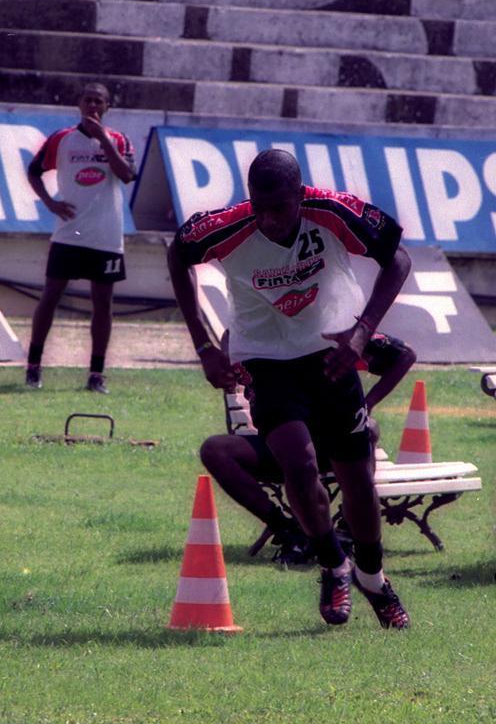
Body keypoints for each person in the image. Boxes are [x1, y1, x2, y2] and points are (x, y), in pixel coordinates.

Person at [167, 148, 412, 630]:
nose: (269, 220)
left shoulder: (334, 210)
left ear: (300, 196)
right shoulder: (226, 226)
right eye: (259, 207)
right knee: (296, 462)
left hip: (332, 351)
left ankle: (373, 577)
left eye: (279, 208)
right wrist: (204, 346)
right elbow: (177, 254)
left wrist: (362, 331)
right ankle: (332, 563)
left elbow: (397, 260)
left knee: (357, 477)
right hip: (265, 358)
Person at [203, 330, 416, 567]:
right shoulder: (245, 331)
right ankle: (288, 531)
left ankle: (349, 530)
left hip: (331, 443)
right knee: (215, 450)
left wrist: (368, 402)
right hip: (278, 442)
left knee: (368, 427)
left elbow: (404, 354)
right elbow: (229, 342)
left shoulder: (326, 328)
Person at [24, 82, 137, 393]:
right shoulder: (61, 139)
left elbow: (127, 175)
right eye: (88, 100)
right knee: (51, 297)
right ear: (79, 103)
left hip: (106, 236)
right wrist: (50, 203)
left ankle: (96, 374)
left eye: (99, 101)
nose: (93, 106)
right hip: (69, 234)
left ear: (107, 107)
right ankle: (33, 366)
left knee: (103, 304)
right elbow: (33, 171)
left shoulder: (117, 139)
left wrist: (102, 138)